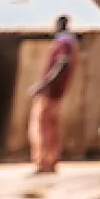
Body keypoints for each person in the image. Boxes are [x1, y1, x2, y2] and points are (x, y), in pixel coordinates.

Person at [31, 14, 80, 174]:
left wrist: (43, 84)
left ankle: (43, 162)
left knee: (42, 127)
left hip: (50, 92)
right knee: (52, 128)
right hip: (58, 93)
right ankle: (51, 161)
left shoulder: (63, 43)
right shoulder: (71, 43)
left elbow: (62, 63)